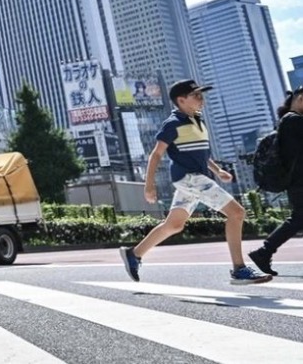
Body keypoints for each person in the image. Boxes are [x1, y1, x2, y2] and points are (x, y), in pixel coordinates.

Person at [120, 79, 272, 285]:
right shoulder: (172, 124)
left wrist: (218, 171)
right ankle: (239, 269)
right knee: (237, 213)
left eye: (202, 95)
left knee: (174, 225)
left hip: (194, 179)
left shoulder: (198, 121)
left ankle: (134, 254)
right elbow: (156, 155)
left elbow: (202, 153)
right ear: (181, 100)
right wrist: (149, 185)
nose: (201, 99)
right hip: (190, 178)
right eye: (196, 95)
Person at [249, 87, 303, 275]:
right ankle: (264, 252)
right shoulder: (292, 121)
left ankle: (264, 252)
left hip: (297, 181)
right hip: (299, 182)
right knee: (298, 219)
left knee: (298, 219)